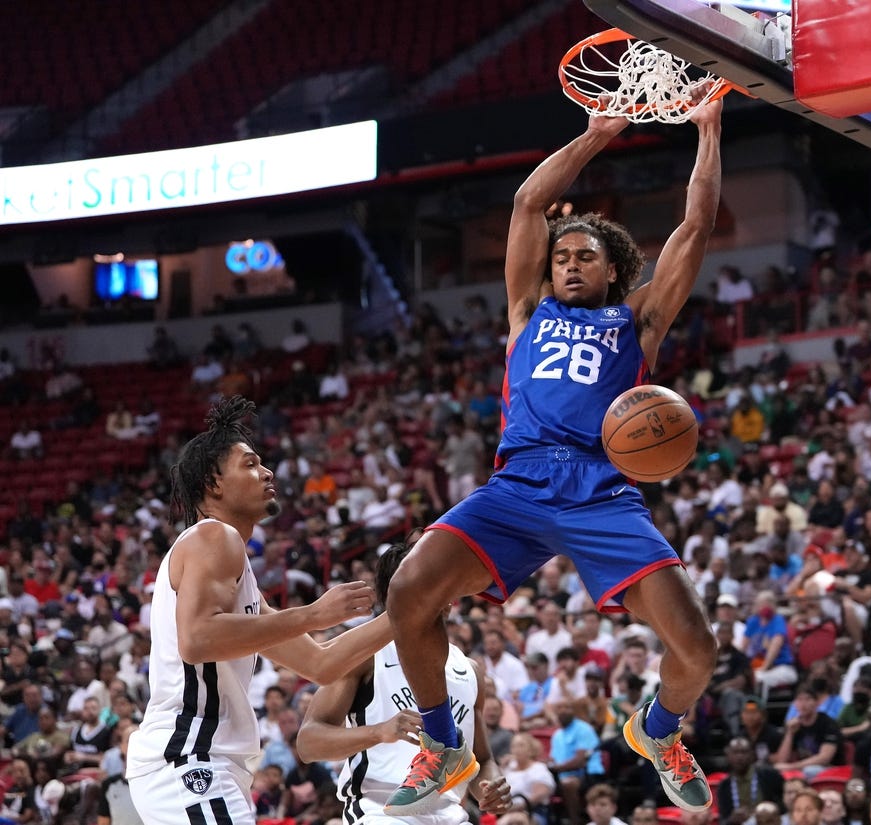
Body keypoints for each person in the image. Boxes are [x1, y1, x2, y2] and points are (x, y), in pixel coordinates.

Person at [382, 89, 724, 815]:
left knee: (696, 646)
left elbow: (695, 225)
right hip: (521, 483)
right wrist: (596, 136)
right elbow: (528, 206)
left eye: (585, 256)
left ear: (611, 271)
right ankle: (444, 741)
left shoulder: (639, 319)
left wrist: (708, 128)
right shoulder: (524, 312)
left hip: (603, 489)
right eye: (563, 256)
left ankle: (658, 731)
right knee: (411, 588)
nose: (568, 264)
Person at [125, 397, 392, 825]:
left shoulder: (236, 570)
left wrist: (406, 615)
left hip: (205, 764)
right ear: (213, 484)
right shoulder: (213, 537)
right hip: (190, 757)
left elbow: (322, 665)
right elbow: (197, 641)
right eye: (249, 465)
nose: (267, 472)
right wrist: (314, 614)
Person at [295, 543, 511, 825]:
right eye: (428, 581)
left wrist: (490, 786)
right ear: (395, 595)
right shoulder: (367, 657)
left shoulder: (470, 670)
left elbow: (481, 759)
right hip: (379, 811)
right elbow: (308, 743)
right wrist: (378, 732)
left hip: (451, 815)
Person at [716, 737, 784, 825]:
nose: (739, 757)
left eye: (743, 752)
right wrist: (732, 819)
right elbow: (722, 821)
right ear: (728, 756)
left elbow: (783, 808)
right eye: (735, 752)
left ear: (752, 755)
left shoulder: (769, 775)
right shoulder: (724, 786)